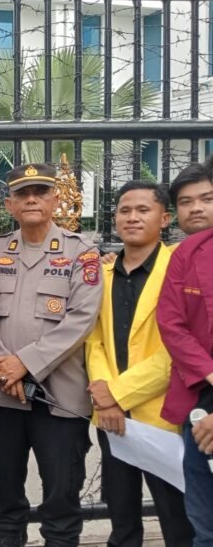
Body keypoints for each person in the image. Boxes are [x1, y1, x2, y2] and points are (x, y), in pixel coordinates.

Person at [0, 164, 102, 547]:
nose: (31, 199)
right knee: (2, 497)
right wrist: (6, 368)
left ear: (55, 199)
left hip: (60, 399)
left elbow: (82, 318)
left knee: (62, 498)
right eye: (22, 193)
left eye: (40, 192)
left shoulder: (82, 253)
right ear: (9, 204)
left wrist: (26, 364)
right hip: (3, 394)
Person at [85, 181, 193, 547]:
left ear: (164, 218)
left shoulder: (180, 270)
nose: (132, 218)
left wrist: (116, 394)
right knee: (122, 517)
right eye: (125, 210)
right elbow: (94, 339)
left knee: (178, 519)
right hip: (112, 417)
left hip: (162, 415)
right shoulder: (102, 274)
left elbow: (177, 350)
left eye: (143, 210)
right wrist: (104, 395)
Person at [157, 177, 213, 544]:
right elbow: (171, 323)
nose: (196, 208)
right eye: (186, 201)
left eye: (207, 198)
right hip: (198, 397)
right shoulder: (185, 254)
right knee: (205, 523)